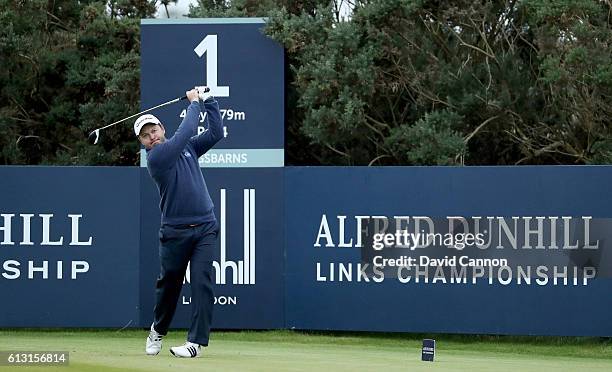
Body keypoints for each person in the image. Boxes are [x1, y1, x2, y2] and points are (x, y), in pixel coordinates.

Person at [135, 87, 223, 358]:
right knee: (170, 285)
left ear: (161, 128)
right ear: (143, 143)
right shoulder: (157, 158)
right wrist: (194, 102)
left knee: (202, 283)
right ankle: (158, 330)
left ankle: (195, 343)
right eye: (146, 135)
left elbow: (216, 133)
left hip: (205, 226)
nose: (152, 136)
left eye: (154, 130)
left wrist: (209, 101)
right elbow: (185, 132)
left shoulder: (186, 148)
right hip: (175, 232)